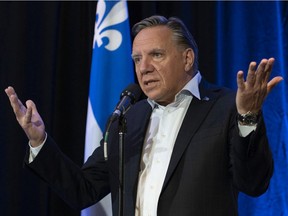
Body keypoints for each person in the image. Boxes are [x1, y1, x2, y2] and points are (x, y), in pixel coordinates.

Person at [5, 15, 283, 216]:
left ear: (187, 58)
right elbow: (84, 189)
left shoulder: (224, 107)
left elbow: (254, 183)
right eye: (137, 59)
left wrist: (247, 115)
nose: (144, 67)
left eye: (156, 55)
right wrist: (39, 142)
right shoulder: (128, 118)